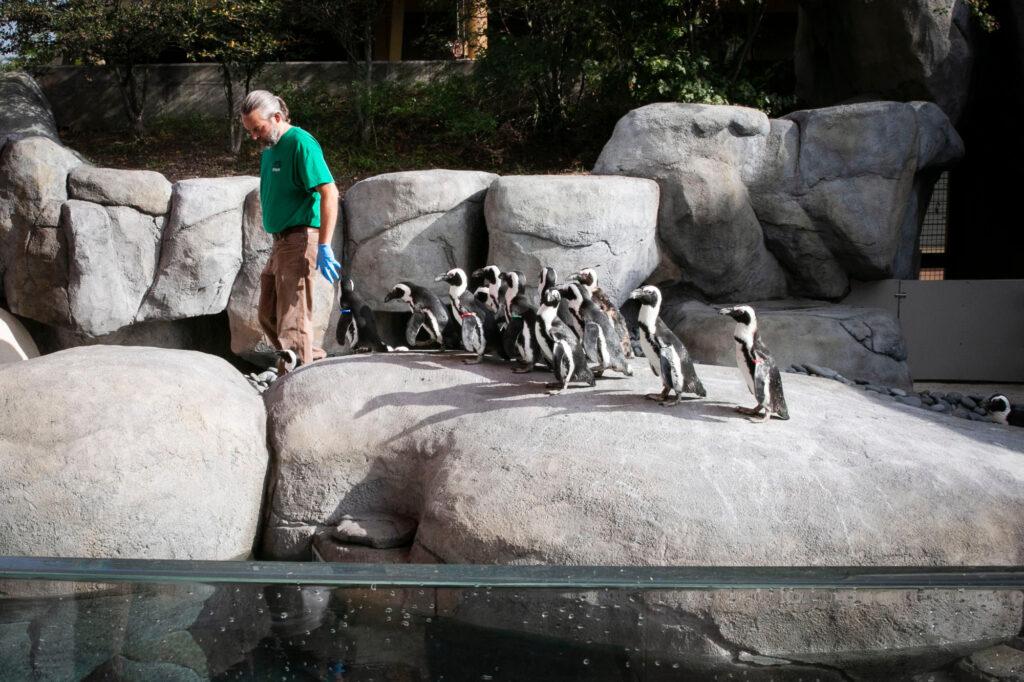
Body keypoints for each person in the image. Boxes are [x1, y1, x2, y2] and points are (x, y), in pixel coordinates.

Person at [240, 90, 341, 373]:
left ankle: (295, 384)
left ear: (277, 117)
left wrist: (324, 244)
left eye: (257, 129)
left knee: (292, 321)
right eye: (249, 131)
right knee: (268, 314)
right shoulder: (270, 149)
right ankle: (312, 363)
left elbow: (329, 192)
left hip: (299, 239)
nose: (254, 136)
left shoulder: (300, 143)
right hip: (280, 242)